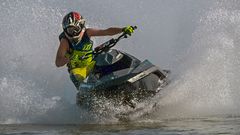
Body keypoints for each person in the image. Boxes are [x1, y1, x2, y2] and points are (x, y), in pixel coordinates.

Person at [55, 11, 134, 90]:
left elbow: (106, 31)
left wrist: (123, 29)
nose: (73, 33)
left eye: (75, 29)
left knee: (108, 55)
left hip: (92, 62)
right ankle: (88, 94)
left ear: (81, 26)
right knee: (75, 77)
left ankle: (126, 74)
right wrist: (68, 58)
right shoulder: (65, 42)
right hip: (78, 69)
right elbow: (58, 62)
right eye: (70, 30)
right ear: (65, 30)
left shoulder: (88, 32)